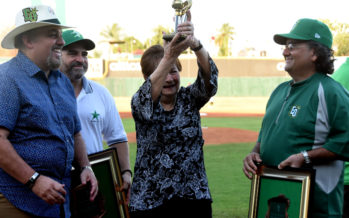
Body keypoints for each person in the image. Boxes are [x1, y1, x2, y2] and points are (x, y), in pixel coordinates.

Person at [243, 18, 349, 217]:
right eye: (285, 46)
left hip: (317, 207)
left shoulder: (330, 91)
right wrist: (254, 153)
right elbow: (265, 135)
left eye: (292, 46)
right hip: (275, 200)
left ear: (315, 53)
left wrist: (306, 157)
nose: (285, 51)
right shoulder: (279, 91)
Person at [0, 5, 98, 217]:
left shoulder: (62, 81)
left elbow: (75, 133)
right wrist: (33, 179)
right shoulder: (7, 78)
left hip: (59, 201)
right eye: (53, 35)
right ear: (28, 40)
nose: (61, 42)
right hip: (18, 200)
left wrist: (85, 168)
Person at [129, 10, 218, 218]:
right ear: (146, 77)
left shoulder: (189, 99)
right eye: (163, 71)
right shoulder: (141, 103)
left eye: (174, 71)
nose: (169, 78)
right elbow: (144, 99)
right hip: (151, 203)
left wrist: (194, 43)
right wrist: (168, 57)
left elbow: (210, 81)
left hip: (193, 200)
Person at [60, 29, 132, 201]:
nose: (80, 59)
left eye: (84, 54)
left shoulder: (101, 93)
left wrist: (126, 172)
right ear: (56, 54)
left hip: (93, 178)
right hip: (55, 181)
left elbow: (117, 138)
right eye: (72, 53)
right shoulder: (44, 91)